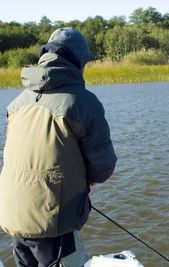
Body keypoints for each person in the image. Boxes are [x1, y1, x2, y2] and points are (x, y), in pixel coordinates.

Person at [0, 27, 117, 267]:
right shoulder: (82, 101)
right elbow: (103, 167)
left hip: (12, 214)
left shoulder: (17, 102)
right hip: (53, 221)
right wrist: (87, 179)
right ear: (77, 61)